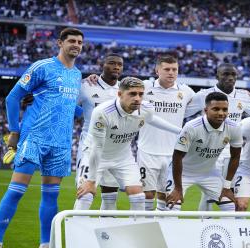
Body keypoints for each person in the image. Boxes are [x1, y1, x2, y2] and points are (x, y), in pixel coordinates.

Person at [0, 28, 84, 248]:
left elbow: (70, 106)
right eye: (71, 41)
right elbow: (13, 97)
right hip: (35, 138)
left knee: (51, 196)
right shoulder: (42, 67)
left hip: (61, 143)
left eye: (80, 42)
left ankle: (45, 244)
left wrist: (95, 107)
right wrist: (14, 130)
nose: (76, 45)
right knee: (16, 191)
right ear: (60, 43)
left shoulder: (78, 74)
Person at [76, 77, 182, 211]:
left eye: (140, 94)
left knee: (138, 197)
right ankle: (75, 230)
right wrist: (90, 181)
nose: (137, 98)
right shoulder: (103, 112)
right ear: (120, 94)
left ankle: (137, 230)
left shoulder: (145, 108)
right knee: (85, 195)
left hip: (122, 157)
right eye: (132, 94)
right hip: (95, 155)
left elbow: (152, 119)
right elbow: (97, 147)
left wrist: (179, 131)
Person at [185, 63, 250, 212]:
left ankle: (231, 226)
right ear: (217, 76)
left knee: (231, 193)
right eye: (226, 74)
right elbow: (184, 112)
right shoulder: (203, 95)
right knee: (209, 195)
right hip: (211, 151)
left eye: (233, 75)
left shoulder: (244, 96)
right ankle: (204, 225)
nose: (230, 78)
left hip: (234, 152)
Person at [166, 92, 242, 212]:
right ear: (206, 110)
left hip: (209, 173)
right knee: (171, 206)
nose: (221, 113)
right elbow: (177, 157)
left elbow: (236, 157)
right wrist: (178, 189)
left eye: (224, 109)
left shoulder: (234, 127)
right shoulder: (192, 127)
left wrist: (227, 187)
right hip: (183, 174)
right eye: (216, 109)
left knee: (230, 207)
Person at [137, 55, 195, 211]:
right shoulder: (144, 87)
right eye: (167, 69)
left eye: (174, 69)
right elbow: (119, 89)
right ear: (157, 70)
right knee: (147, 195)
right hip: (147, 151)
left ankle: (164, 229)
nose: (171, 73)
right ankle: (147, 230)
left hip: (173, 154)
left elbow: (209, 100)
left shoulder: (186, 92)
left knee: (167, 196)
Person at [73, 53, 124, 210]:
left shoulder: (125, 89)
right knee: (85, 193)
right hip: (90, 145)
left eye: (120, 64)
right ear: (102, 64)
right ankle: (76, 233)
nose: (116, 67)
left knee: (110, 196)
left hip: (113, 149)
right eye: (112, 63)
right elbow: (68, 105)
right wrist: (83, 114)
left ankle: (105, 235)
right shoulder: (86, 86)